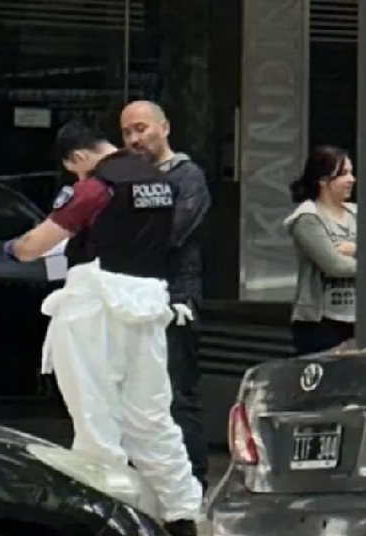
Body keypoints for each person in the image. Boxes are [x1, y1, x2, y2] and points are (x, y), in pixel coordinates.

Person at [3, 121, 202, 536]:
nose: (77, 178)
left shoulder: (96, 187)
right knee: (151, 414)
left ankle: (107, 512)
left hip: (96, 306)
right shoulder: (158, 180)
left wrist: (14, 248)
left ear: (78, 158)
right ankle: (180, 507)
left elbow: (38, 243)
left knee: (95, 412)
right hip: (147, 304)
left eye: (74, 170)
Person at [120, 100, 212, 492]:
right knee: (134, 394)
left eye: (141, 128)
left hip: (174, 299)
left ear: (165, 127)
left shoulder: (188, 177)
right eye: (126, 132)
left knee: (177, 392)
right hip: (130, 299)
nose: (134, 138)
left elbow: (170, 233)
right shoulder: (124, 177)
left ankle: (192, 481)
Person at [283, 145, 359, 355]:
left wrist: (354, 248)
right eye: (344, 174)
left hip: (359, 320)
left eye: (351, 172)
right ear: (323, 180)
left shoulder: (357, 213)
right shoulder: (308, 217)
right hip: (321, 323)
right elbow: (334, 265)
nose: (352, 179)